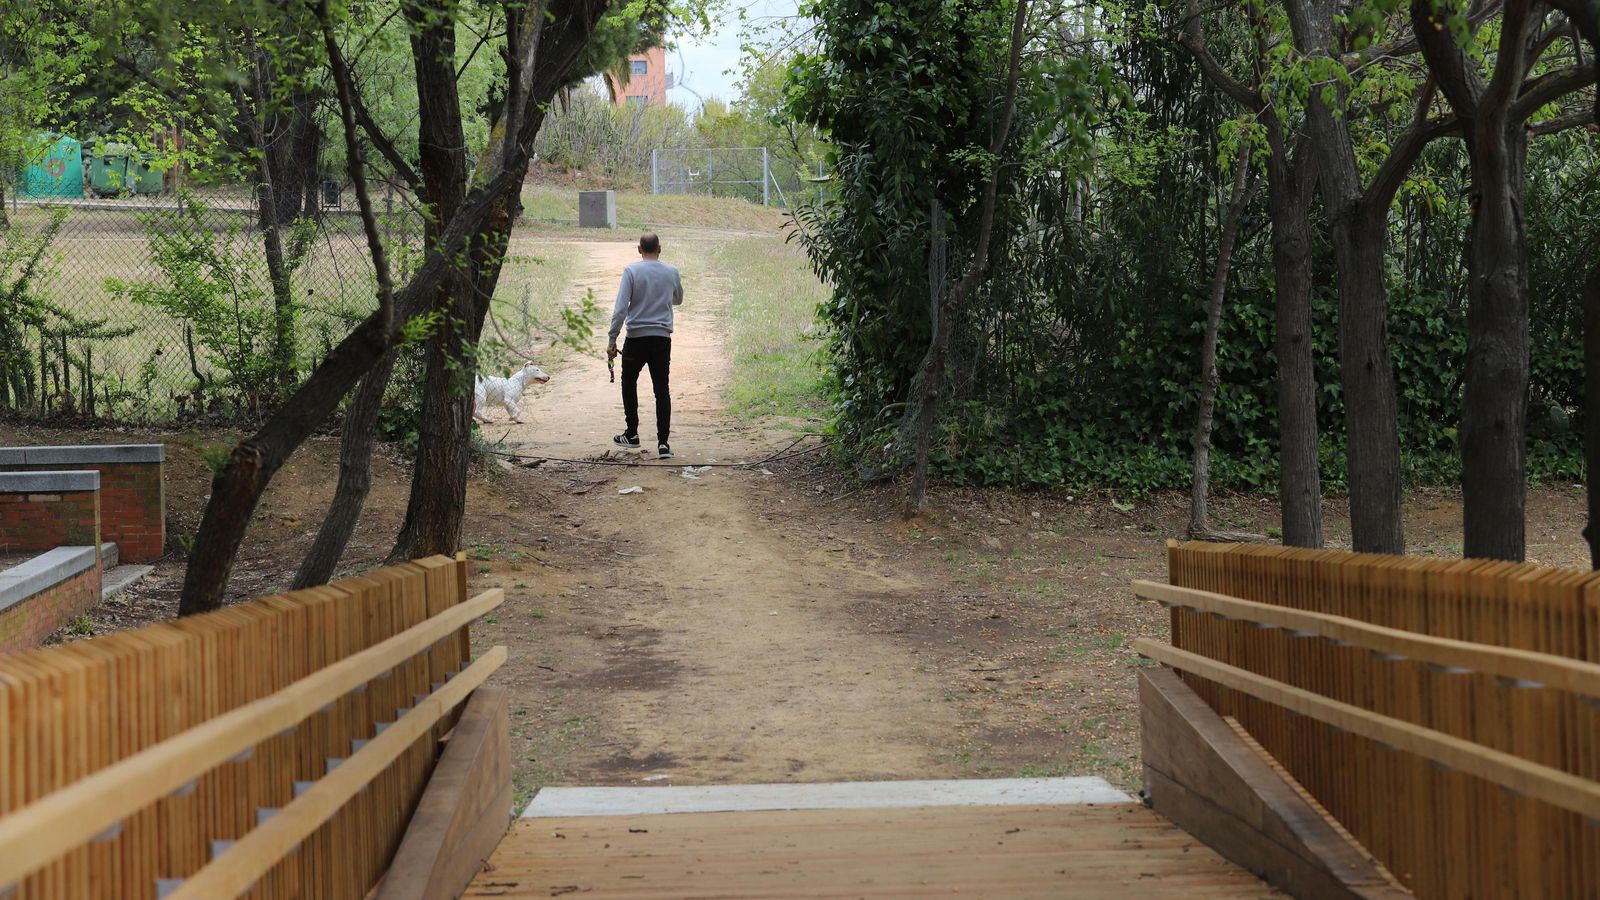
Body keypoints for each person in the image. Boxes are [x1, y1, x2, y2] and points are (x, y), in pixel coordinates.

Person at [607, 232, 683, 459]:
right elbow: (678, 299)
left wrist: (612, 339)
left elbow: (620, 309)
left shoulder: (631, 271)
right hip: (661, 338)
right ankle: (663, 443)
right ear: (659, 248)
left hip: (636, 337)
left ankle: (632, 433)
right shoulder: (671, 271)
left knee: (629, 382)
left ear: (639, 250)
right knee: (661, 389)